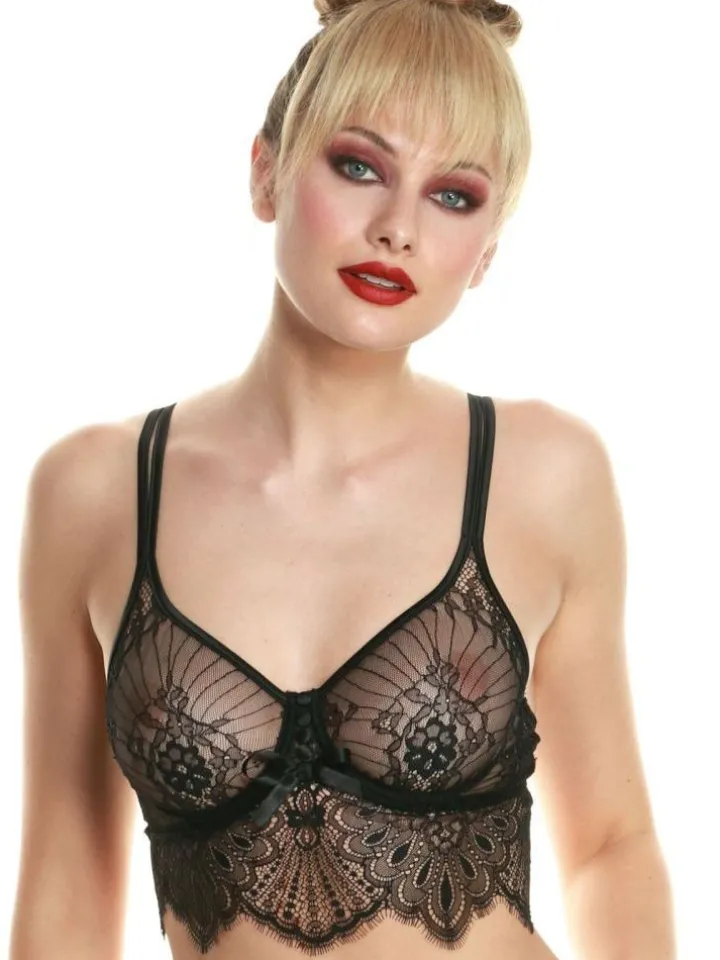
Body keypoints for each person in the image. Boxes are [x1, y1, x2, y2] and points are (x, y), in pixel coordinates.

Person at [11, 1, 676, 958]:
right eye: (359, 167)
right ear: (266, 171)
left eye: (453, 195)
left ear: (487, 251)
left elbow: (612, 844)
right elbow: (66, 876)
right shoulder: (95, 490)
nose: (397, 228)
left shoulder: (542, 474)